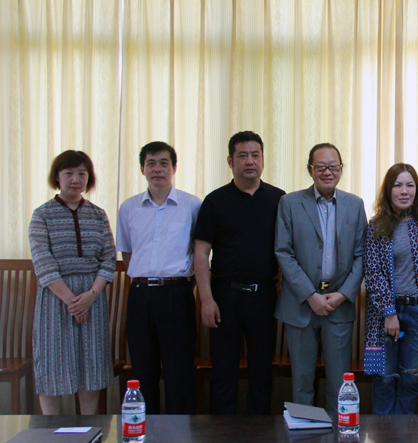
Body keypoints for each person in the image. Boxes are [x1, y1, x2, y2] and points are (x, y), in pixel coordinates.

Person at [194, 131, 285, 415]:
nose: (250, 161)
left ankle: (259, 430)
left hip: (264, 295)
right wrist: (206, 300)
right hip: (225, 295)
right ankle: (223, 431)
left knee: (262, 370)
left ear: (263, 159)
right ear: (230, 161)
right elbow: (200, 253)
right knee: (224, 370)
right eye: (242, 156)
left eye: (255, 155)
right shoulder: (215, 201)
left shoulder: (279, 199)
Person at [275, 143, 367, 415]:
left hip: (339, 305)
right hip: (300, 305)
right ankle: (304, 429)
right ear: (310, 170)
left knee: (340, 383)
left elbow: (361, 255)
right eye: (321, 167)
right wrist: (310, 295)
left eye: (333, 166)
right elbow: (283, 252)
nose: (328, 172)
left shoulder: (354, 205)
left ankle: (339, 430)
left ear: (341, 169)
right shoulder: (290, 203)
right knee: (302, 382)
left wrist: (343, 294)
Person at [116, 141, 202, 414]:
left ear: (174, 168)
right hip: (140, 295)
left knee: (180, 371)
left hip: (177, 294)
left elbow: (199, 253)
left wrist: (180, 283)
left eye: (164, 163)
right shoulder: (128, 208)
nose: (157, 169)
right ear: (142, 169)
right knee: (143, 370)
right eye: (151, 163)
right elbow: (127, 254)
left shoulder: (192, 205)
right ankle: (145, 429)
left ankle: (180, 430)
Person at [28, 150, 116, 415]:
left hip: (92, 296)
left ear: (89, 178)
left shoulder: (98, 215)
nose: (75, 179)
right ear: (57, 177)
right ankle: (50, 427)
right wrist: (73, 302)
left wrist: (91, 295)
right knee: (52, 362)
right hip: (55, 297)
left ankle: (90, 426)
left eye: (81, 173)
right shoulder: (42, 215)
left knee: (91, 362)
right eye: (68, 173)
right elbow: (43, 262)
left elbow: (108, 259)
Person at [363, 163, 418, 415]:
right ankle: (383, 432)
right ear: (388, 190)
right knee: (385, 378)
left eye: (410, 185)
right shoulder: (376, 226)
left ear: (417, 190)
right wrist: (389, 312)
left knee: (410, 377)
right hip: (385, 313)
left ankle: (405, 432)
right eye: (397, 185)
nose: (404, 191)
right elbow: (373, 272)